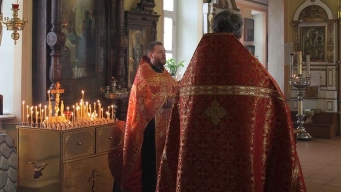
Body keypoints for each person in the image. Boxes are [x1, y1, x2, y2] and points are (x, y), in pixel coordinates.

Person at [157, 10, 306, 191]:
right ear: (240, 32)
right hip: (240, 165)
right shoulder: (257, 78)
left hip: (196, 166)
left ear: (213, 27)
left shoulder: (191, 76)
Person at [120, 41, 178, 192]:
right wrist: (165, 101)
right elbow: (141, 100)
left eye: (164, 51)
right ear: (151, 55)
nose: (164, 54)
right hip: (149, 129)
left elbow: (175, 90)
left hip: (166, 128)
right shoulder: (143, 74)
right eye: (160, 52)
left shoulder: (165, 73)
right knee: (150, 165)